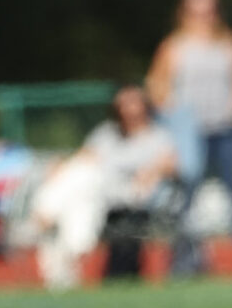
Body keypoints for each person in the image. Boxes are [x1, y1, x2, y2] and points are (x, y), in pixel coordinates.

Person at [146, 0, 232, 275]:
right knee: (186, 195)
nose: (204, 16)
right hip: (190, 134)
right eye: (197, 10)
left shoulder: (231, 43)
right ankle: (182, 254)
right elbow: (156, 85)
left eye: (209, 10)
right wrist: (174, 114)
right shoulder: (173, 47)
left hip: (226, 128)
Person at [31, 85, 178, 288]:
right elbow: (86, 156)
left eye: (133, 102)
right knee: (80, 181)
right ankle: (71, 249)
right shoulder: (107, 133)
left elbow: (171, 164)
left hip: (134, 192)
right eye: (123, 103)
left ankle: (46, 214)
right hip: (98, 191)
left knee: (82, 179)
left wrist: (153, 172)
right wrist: (60, 166)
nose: (128, 109)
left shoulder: (157, 136)